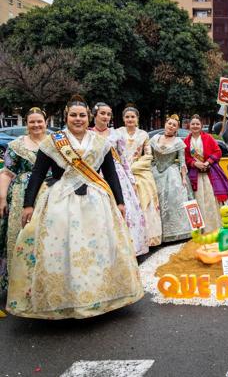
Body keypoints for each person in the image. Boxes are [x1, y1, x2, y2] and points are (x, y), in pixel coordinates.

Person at [6, 96, 143, 319]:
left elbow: (111, 175)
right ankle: (64, 300)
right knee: (62, 249)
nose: (77, 119)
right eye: (73, 115)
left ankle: (100, 296)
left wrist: (120, 202)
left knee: (98, 249)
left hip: (97, 201)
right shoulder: (53, 142)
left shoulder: (100, 143)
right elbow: (38, 175)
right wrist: (28, 204)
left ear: (87, 116)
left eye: (81, 115)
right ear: (66, 117)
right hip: (61, 202)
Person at [92, 103, 148, 256]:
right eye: (102, 113)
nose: (105, 117)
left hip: (117, 175)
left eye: (108, 114)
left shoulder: (116, 135)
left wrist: (131, 180)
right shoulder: (88, 134)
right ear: (94, 115)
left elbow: (123, 159)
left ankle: (127, 250)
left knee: (125, 210)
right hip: (95, 175)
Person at [0, 108, 47, 291]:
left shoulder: (54, 143)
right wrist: (2, 197)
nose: (36, 125)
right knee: (22, 234)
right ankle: (20, 283)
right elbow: (7, 173)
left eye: (39, 121)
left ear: (45, 122)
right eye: (32, 122)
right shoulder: (16, 146)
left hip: (48, 192)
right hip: (21, 194)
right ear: (26, 124)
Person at [117, 106, 162, 246]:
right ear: (123, 119)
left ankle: (145, 238)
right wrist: (122, 168)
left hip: (139, 171)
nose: (130, 119)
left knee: (145, 200)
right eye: (127, 117)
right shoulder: (117, 133)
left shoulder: (143, 134)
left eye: (133, 117)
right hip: (120, 171)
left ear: (137, 118)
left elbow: (148, 155)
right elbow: (112, 152)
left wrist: (132, 168)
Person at [150, 115, 192, 242]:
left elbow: (182, 162)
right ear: (165, 124)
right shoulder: (155, 138)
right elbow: (149, 157)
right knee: (156, 202)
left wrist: (183, 178)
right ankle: (156, 234)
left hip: (171, 174)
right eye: (169, 123)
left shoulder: (178, 142)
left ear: (176, 129)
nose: (171, 126)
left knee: (173, 200)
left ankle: (175, 232)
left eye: (174, 125)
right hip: (155, 171)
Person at [184, 114, 228, 232]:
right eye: (193, 124)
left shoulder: (208, 138)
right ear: (189, 126)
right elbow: (186, 157)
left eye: (197, 124)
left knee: (211, 199)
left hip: (209, 174)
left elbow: (217, 151)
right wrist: (194, 163)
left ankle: (214, 226)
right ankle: (199, 228)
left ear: (201, 125)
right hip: (195, 175)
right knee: (197, 199)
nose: (195, 126)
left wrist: (208, 162)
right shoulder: (186, 141)